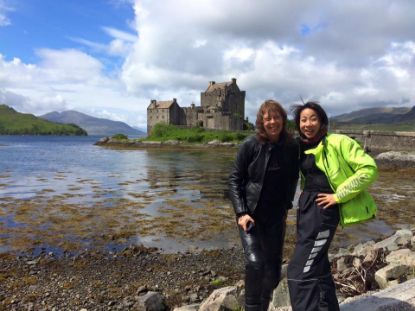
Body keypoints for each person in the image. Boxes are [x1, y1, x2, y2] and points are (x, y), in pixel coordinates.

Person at [287, 101, 378, 311]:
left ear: (322, 121)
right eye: (303, 119)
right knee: (318, 265)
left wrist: (338, 196)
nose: (307, 124)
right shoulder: (303, 146)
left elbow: (368, 169)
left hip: (324, 211)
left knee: (300, 270)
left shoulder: (337, 141)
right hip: (307, 209)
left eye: (313, 119)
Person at [229, 99, 299, 311]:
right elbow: (234, 179)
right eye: (267, 118)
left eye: (276, 117)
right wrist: (241, 212)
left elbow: (294, 176)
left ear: (282, 120)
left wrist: (287, 203)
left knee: (274, 269)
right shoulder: (250, 145)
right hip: (250, 216)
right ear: (261, 121)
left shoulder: (291, 146)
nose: (272, 122)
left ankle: (265, 306)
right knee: (255, 263)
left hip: (276, 217)